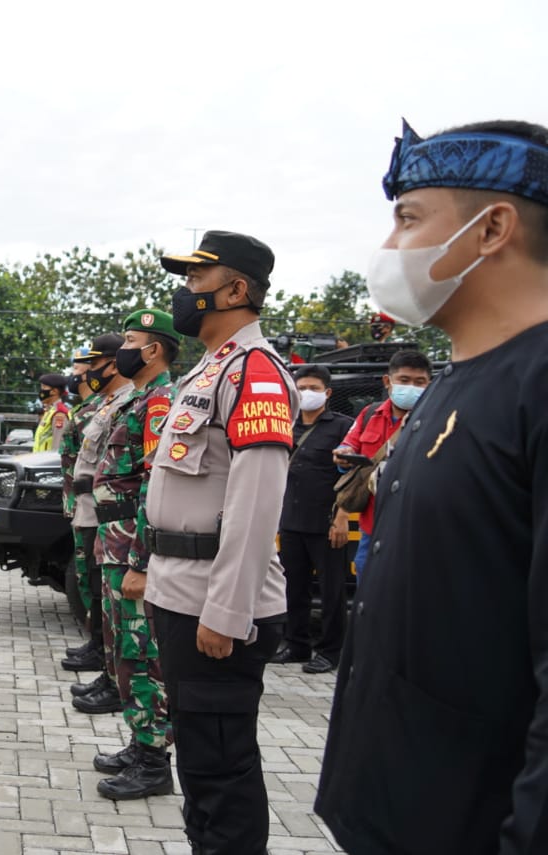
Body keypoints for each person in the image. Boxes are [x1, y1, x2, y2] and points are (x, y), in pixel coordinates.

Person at [316, 119, 548, 855]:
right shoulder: (455, 383)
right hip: (398, 810)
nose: (389, 250)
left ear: (493, 228)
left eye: (408, 219)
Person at [144, 231, 296, 855]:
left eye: (196, 280)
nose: (185, 292)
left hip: (215, 604)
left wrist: (227, 613)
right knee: (201, 765)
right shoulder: (211, 369)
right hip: (181, 591)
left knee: (223, 770)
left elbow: (256, 508)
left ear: (236, 289)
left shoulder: (256, 375)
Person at [87, 309, 179, 801]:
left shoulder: (161, 402)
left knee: (138, 653)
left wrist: (142, 562)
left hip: (131, 550)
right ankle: (139, 740)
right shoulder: (139, 398)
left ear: (153, 349)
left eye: (130, 340)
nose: (122, 348)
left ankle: (153, 761)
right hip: (114, 542)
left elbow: (152, 485)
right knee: (120, 647)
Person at [271, 365, 354, 674]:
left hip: (327, 522)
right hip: (290, 520)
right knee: (294, 587)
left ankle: (331, 652)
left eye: (313, 387)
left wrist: (342, 516)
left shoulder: (343, 426)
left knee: (333, 591)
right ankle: (296, 645)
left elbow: (353, 474)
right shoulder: (286, 425)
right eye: (301, 387)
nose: (306, 393)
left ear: (327, 392)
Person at [62, 334, 133, 673]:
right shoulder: (106, 403)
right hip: (89, 507)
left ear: (113, 364)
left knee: (101, 585)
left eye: (94, 364)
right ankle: (96, 645)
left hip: (106, 510)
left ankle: (104, 654)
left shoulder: (127, 402)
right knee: (90, 580)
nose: (88, 371)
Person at [332, 349, 431, 578]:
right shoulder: (369, 414)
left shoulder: (437, 420)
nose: (412, 387)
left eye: (420, 382)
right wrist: (343, 457)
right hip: (372, 527)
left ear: (430, 384)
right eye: (404, 380)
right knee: (367, 591)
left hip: (416, 530)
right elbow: (349, 446)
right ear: (388, 381)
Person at [60, 345, 101, 662]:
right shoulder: (86, 409)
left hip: (96, 505)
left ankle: (100, 645)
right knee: (86, 575)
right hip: (80, 503)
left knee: (95, 577)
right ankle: (97, 641)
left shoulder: (98, 410)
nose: (72, 377)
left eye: (76, 371)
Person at [33, 373, 71, 452]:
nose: (41, 391)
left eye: (44, 387)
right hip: (40, 462)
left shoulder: (59, 414)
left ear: (54, 391)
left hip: (48, 463)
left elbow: (58, 447)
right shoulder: (50, 411)